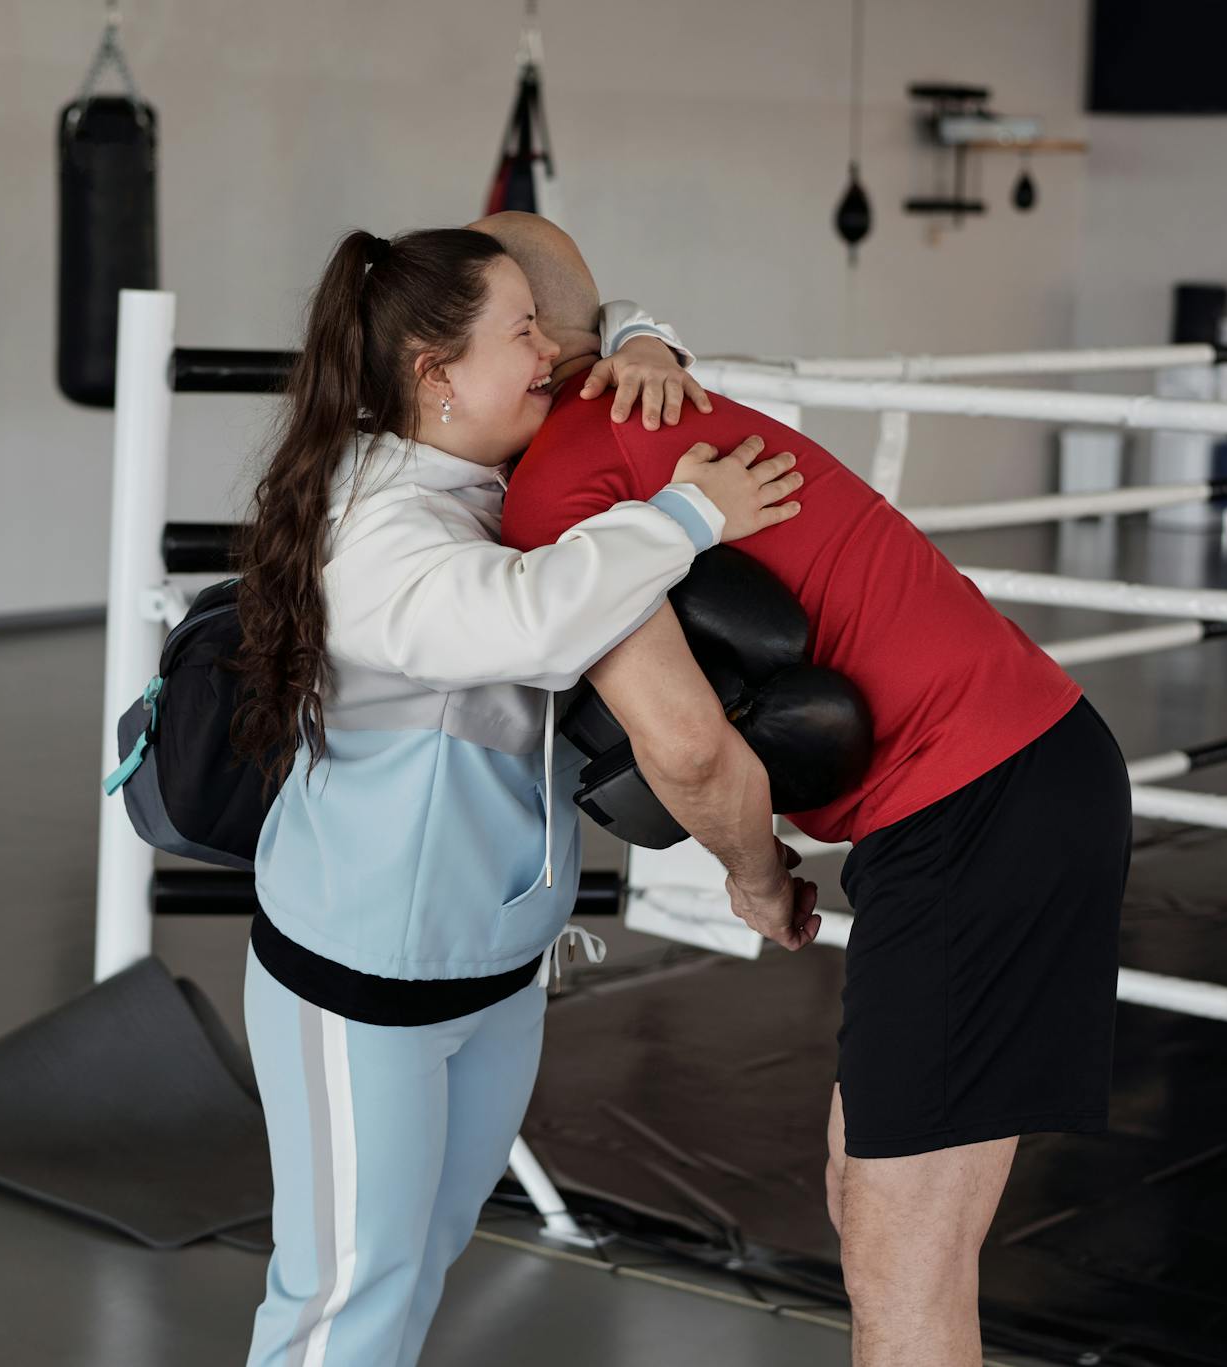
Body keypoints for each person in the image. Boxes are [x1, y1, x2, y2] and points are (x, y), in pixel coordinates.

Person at [483, 211, 1131, 1367]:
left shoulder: (559, 488)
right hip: (1008, 779)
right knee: (864, 1193)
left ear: (527, 343)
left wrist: (754, 872)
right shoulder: (645, 403)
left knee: (901, 1271)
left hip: (979, 803)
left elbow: (686, 749)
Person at [225, 224, 801, 1367]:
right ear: (434, 372)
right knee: (345, 1294)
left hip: (491, 972)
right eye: (522, 333)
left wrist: (639, 340)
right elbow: (533, 620)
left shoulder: (480, 460)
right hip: (361, 984)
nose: (550, 350)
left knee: (419, 1260)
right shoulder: (384, 528)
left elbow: (585, 309)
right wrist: (688, 518)